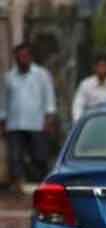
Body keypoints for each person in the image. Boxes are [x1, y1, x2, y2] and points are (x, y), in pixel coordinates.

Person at [0, 43, 56, 196]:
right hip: (15, 123)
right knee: (15, 156)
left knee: (39, 156)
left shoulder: (42, 74)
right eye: (19, 56)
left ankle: (42, 185)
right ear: (15, 58)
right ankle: (17, 186)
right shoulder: (8, 77)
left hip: (36, 123)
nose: (22, 59)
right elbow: (3, 100)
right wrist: (3, 120)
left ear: (30, 57)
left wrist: (49, 118)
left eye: (25, 55)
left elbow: (49, 97)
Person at [72, 55, 106, 122]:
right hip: (90, 121)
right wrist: (78, 121)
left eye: (105, 66)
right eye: (100, 66)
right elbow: (78, 105)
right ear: (95, 68)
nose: (102, 69)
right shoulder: (85, 84)